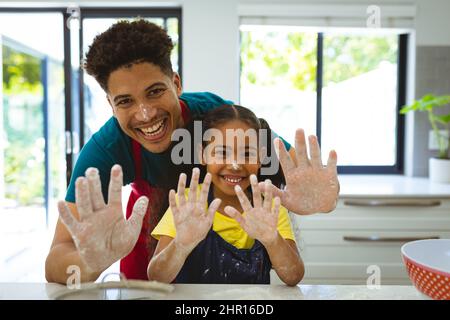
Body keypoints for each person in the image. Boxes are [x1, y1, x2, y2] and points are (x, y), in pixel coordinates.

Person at [45, 19, 339, 285]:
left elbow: (308, 180)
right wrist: (92, 261)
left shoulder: (217, 117)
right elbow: (57, 260)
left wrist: (325, 199)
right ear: (110, 104)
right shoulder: (105, 150)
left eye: (155, 91)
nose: (145, 114)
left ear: (176, 84)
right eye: (125, 101)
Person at [148, 105, 304, 285]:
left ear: (261, 158)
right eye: (222, 153)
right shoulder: (186, 203)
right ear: (202, 154)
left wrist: (272, 239)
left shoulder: (269, 207)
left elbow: (294, 276)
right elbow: (157, 276)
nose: (235, 165)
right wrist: (181, 244)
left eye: (247, 154)